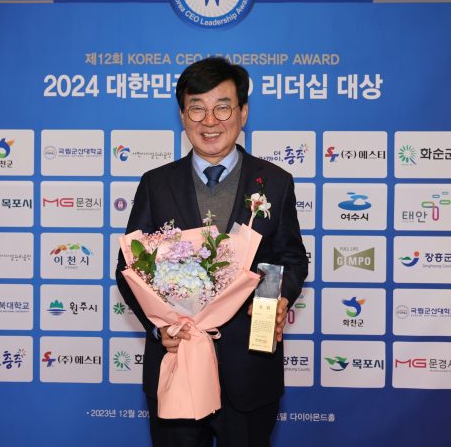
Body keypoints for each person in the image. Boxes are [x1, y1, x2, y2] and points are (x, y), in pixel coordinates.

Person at [116, 57, 308, 447]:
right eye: (196, 108)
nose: (209, 121)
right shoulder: (155, 184)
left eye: (222, 107)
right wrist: (159, 329)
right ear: (182, 116)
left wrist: (277, 297)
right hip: (177, 365)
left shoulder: (275, 182)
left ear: (243, 113)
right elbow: (129, 268)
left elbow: (291, 258)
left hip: (250, 370)